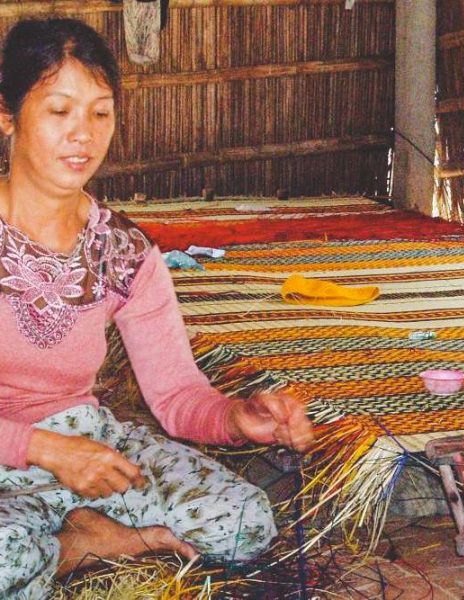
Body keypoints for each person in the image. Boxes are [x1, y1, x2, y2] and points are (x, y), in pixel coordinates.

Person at [0, 18, 314, 598]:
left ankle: (79, 535)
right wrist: (40, 448)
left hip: (93, 449)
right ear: (8, 115)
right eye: (59, 111)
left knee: (244, 522)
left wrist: (236, 419)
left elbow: (175, 396)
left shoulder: (124, 252)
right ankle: (84, 544)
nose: (83, 135)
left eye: (100, 112)